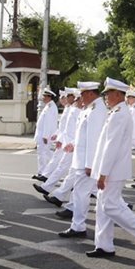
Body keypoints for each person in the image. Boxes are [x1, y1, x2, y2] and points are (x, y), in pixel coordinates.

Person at [87, 78, 135, 258]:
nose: (106, 97)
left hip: (113, 169)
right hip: (111, 168)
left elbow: (112, 146)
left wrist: (103, 173)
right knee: (103, 207)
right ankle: (104, 246)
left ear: (118, 94)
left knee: (109, 206)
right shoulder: (117, 111)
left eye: (108, 94)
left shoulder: (119, 114)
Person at [58, 81, 107, 239]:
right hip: (81, 160)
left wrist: (90, 165)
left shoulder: (97, 110)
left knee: (82, 195)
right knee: (86, 195)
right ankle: (78, 225)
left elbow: (94, 139)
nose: (81, 98)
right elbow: (84, 136)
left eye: (83, 95)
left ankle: (78, 227)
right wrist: (73, 144)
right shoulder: (91, 108)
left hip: (86, 163)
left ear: (91, 93)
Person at [34, 88, 59, 177]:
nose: (43, 98)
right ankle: (46, 172)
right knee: (47, 154)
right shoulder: (49, 106)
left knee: (43, 155)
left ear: (49, 97)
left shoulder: (50, 107)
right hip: (43, 135)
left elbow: (48, 123)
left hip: (44, 136)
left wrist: (45, 136)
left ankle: (43, 172)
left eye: (44, 96)